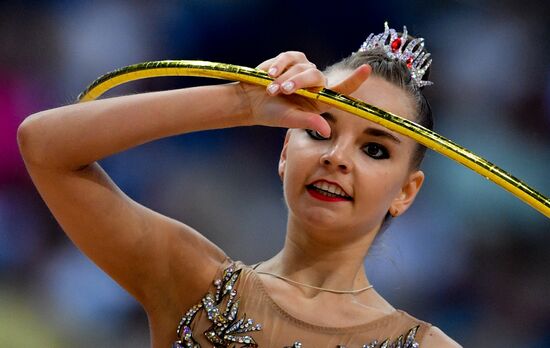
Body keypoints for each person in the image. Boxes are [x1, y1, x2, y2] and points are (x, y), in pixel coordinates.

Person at [17, 23, 460, 347]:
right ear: (285, 151)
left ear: (406, 191)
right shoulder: (192, 281)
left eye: (375, 150)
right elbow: (44, 145)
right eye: (321, 128)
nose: (336, 157)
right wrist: (243, 100)